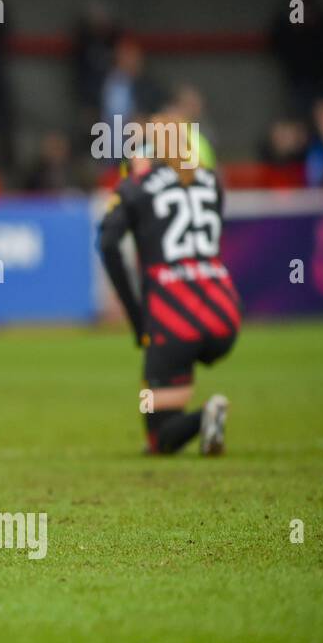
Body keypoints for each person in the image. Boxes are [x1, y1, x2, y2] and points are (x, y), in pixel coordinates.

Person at [97, 119, 239, 456]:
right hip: (225, 314)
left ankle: (205, 415)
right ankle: (203, 417)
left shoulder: (134, 186)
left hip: (173, 320)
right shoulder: (210, 181)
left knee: (157, 433)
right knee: (177, 369)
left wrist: (136, 318)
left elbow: (107, 244)